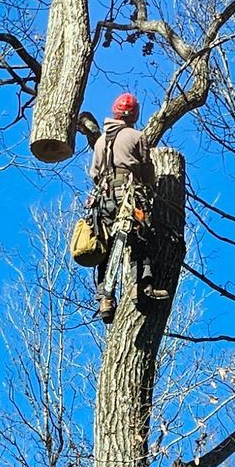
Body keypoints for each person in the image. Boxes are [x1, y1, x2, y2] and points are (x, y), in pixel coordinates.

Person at [88, 91, 168, 321]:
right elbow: (147, 172)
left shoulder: (100, 141)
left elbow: (94, 174)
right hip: (129, 198)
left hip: (104, 202)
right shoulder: (136, 136)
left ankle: (105, 298)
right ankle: (140, 286)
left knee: (107, 249)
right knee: (140, 240)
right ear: (134, 114)